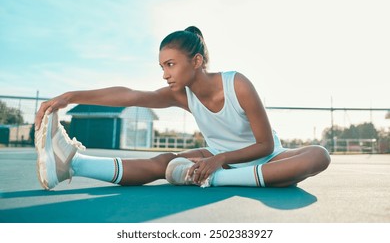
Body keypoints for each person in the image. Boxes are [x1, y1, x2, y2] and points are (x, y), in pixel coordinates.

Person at [34, 26, 331, 190]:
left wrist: (218, 163)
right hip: (219, 158)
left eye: (171, 64)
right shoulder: (180, 94)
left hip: (266, 158)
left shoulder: (238, 84)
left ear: (197, 61)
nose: (165, 73)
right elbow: (130, 95)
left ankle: (216, 179)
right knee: (164, 163)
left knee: (318, 155)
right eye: (162, 66)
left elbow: (265, 144)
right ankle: (73, 164)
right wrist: (71, 95)